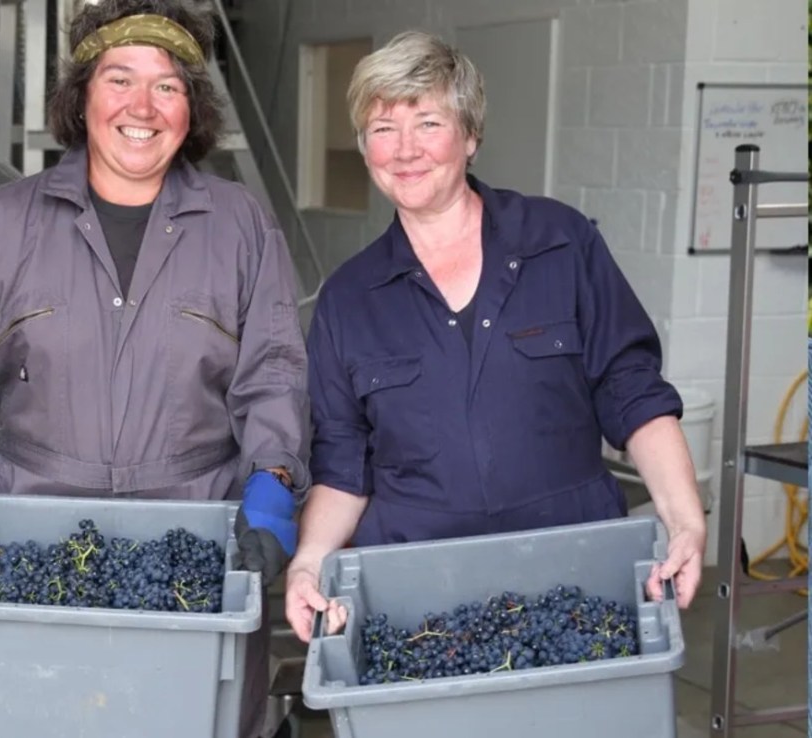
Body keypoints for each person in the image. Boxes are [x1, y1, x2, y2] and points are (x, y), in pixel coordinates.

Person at [0, 1, 308, 736]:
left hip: (193, 537)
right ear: (81, 98)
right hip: (34, 531)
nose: (142, 107)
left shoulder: (240, 226)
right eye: (119, 79)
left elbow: (276, 372)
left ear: (191, 109)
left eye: (167, 87)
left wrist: (272, 484)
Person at [283, 30, 708, 643]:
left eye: (428, 123)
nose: (404, 149)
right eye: (382, 129)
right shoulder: (349, 299)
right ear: (365, 148)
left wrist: (684, 520)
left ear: (471, 135)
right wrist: (308, 562)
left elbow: (632, 389)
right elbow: (343, 461)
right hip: (418, 599)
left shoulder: (560, 242)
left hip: (575, 578)